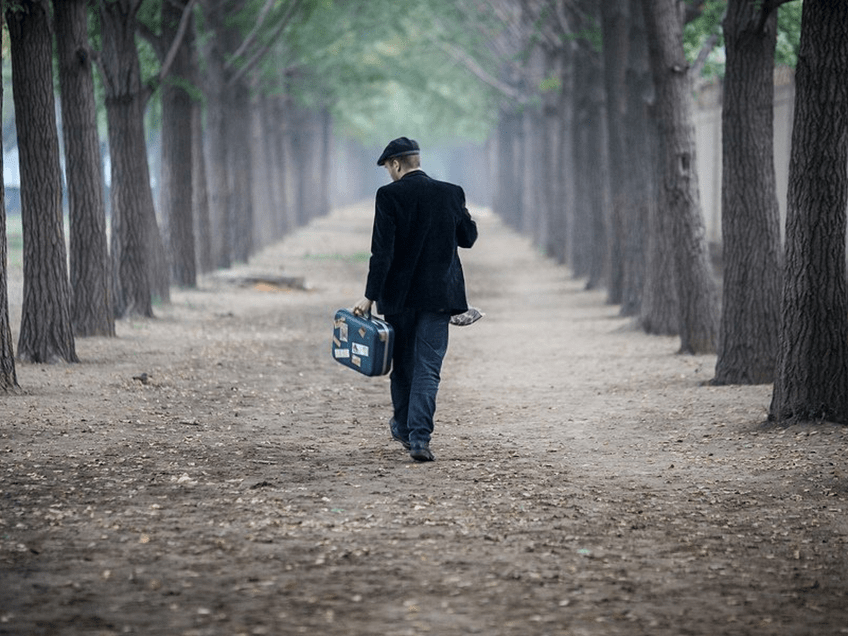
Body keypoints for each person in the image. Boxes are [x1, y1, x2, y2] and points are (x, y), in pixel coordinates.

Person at [353, 137, 478, 462]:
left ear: (395, 164)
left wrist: (369, 297)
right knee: (428, 368)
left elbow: (382, 252)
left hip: (399, 297)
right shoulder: (451, 192)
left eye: (388, 169)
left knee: (404, 366)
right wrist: (462, 212)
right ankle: (420, 438)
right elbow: (468, 239)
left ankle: (405, 431)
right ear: (417, 160)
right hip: (439, 297)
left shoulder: (389, 195)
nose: (389, 174)